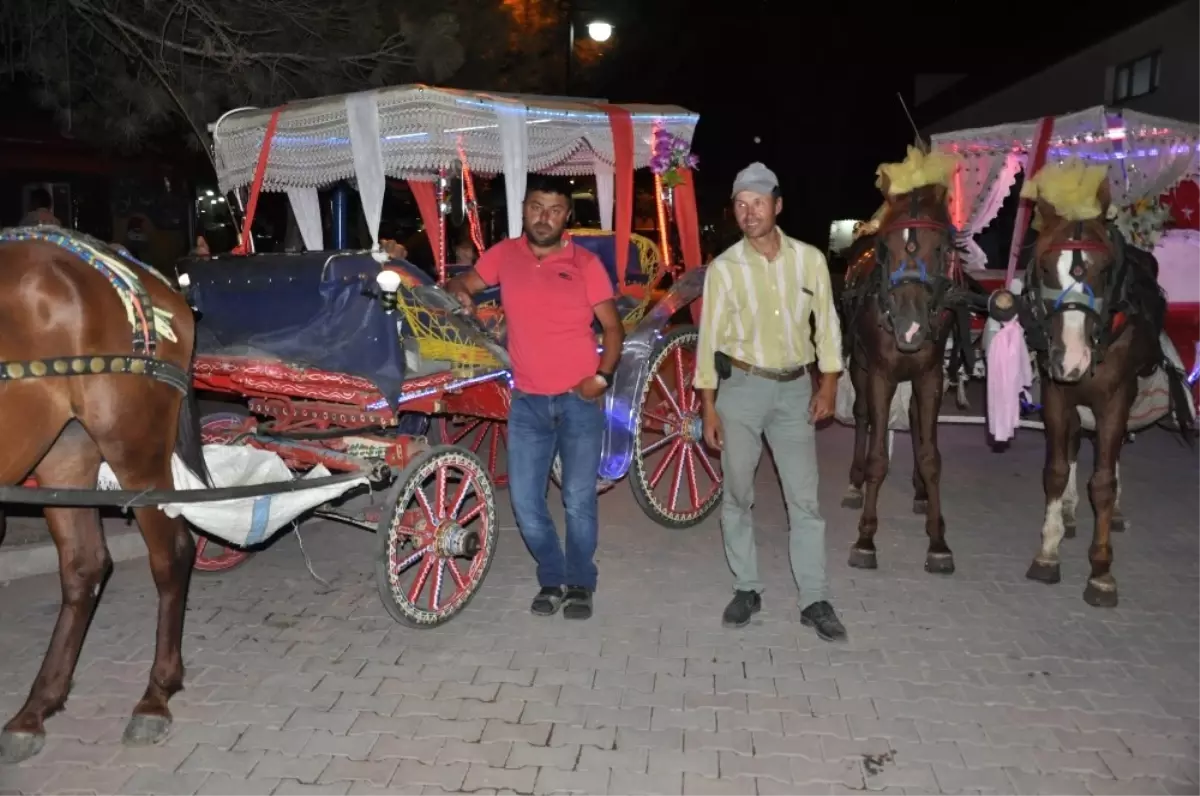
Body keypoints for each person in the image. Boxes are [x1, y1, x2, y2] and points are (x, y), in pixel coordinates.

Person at [445, 175, 624, 620]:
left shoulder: (584, 264)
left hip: (578, 400)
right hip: (527, 402)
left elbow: (614, 328)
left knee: (578, 499)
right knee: (525, 501)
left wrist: (601, 379)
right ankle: (553, 575)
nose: (544, 217)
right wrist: (462, 295)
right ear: (524, 209)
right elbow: (462, 283)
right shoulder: (505, 255)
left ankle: (580, 582)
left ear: (568, 216)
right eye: (536, 207)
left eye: (555, 209)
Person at [694, 162, 847, 642]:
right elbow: (708, 341)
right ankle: (747, 587)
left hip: (795, 391)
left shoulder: (810, 260)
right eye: (740, 204)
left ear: (777, 206)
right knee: (738, 493)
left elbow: (827, 323)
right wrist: (709, 407)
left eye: (757, 202)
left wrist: (828, 383)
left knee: (804, 498)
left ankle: (815, 598)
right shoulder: (724, 269)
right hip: (741, 390)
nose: (748, 212)